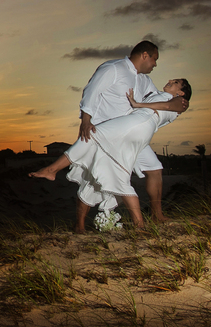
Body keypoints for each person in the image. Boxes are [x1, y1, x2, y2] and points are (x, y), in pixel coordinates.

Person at [30, 78, 192, 232]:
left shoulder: (181, 102)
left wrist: (137, 104)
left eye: (176, 82)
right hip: (138, 128)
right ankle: (139, 224)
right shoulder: (157, 93)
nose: (170, 82)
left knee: (93, 134)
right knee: (119, 173)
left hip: (138, 123)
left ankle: (52, 170)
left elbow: (169, 107)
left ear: (181, 92)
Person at [70, 40, 186, 223]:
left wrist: (179, 103)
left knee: (154, 169)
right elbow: (91, 91)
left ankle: (157, 215)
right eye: (154, 59)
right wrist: (85, 120)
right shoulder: (113, 68)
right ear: (145, 55)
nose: (155, 64)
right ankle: (80, 226)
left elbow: (159, 103)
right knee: (94, 180)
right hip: (107, 134)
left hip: (132, 136)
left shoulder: (145, 80)